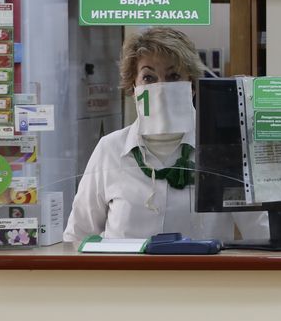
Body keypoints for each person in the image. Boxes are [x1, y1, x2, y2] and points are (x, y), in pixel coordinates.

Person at [64, 28, 265, 242]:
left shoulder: (224, 149)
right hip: (126, 275)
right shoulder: (110, 149)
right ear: (133, 86)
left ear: (192, 85)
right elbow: (78, 236)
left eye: (174, 76)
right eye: (149, 77)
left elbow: (261, 232)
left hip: (202, 275)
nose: (161, 87)